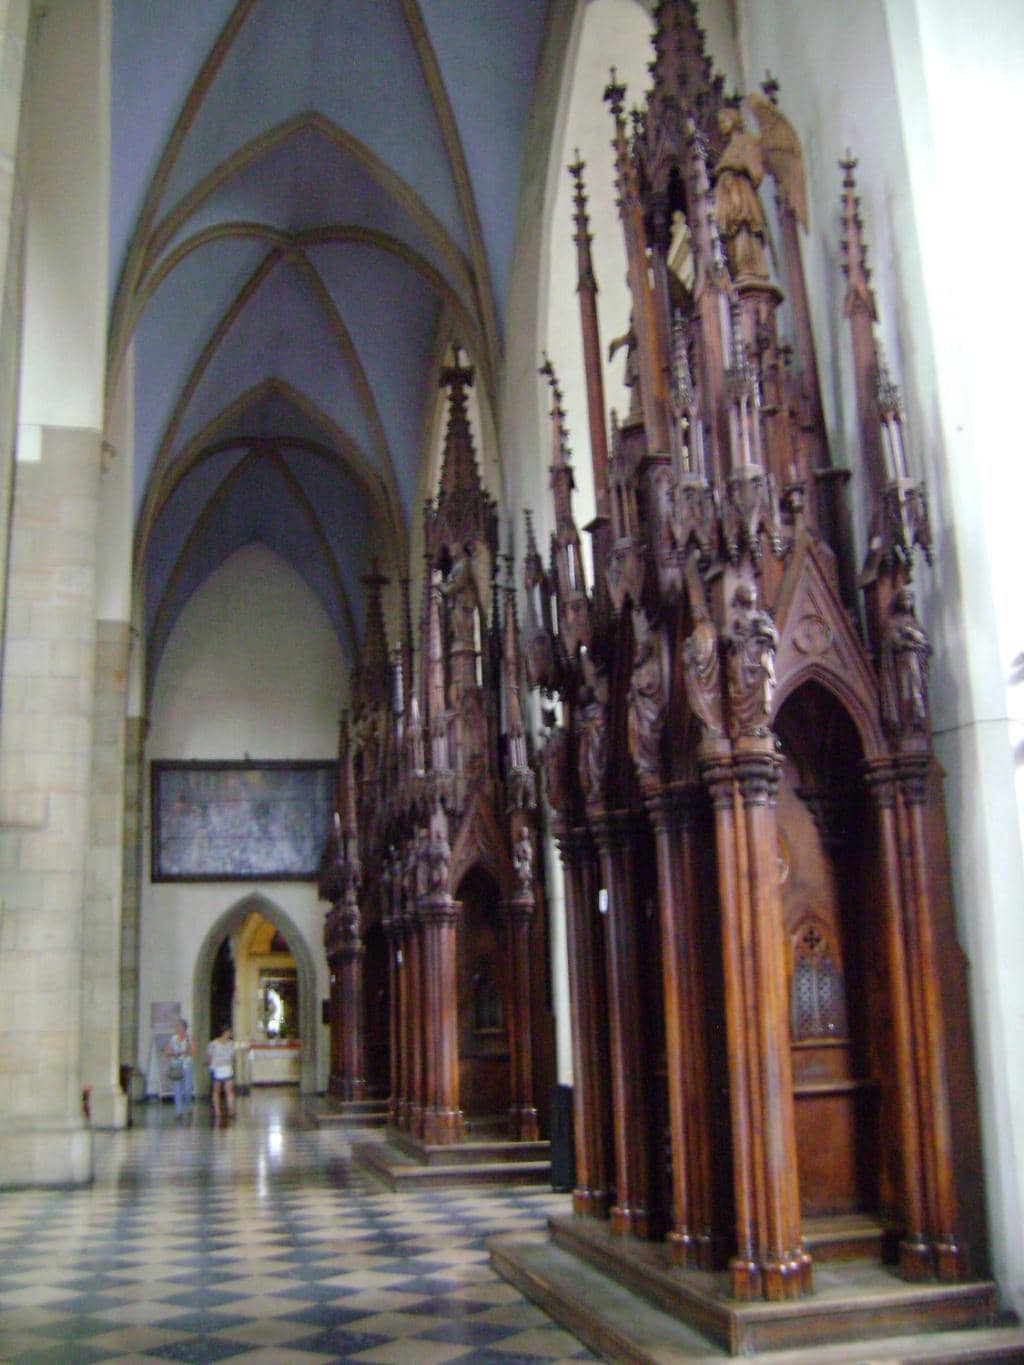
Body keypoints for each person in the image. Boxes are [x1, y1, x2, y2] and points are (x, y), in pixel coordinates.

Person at [165, 1017, 194, 1123]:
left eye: (179, 1026)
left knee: (187, 1088)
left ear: (184, 1028)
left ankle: (189, 1105)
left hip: (187, 1065)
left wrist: (187, 1051)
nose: (177, 1028)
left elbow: (193, 1051)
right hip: (176, 1066)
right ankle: (178, 1112)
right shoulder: (173, 1039)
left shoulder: (189, 1038)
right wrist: (174, 1053)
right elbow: (167, 1051)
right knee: (177, 1089)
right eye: (176, 1027)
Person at [207, 1025, 236, 1122]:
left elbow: (209, 1057)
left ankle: (219, 1110)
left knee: (219, 1091)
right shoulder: (230, 1044)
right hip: (224, 1068)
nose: (231, 1034)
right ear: (225, 1032)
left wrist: (209, 1063)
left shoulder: (213, 1044)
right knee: (225, 1091)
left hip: (218, 1068)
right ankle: (227, 1110)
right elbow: (232, 1056)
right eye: (230, 1032)